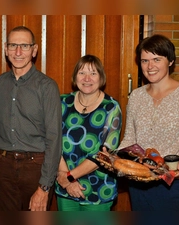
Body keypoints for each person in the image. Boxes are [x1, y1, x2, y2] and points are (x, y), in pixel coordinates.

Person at [117, 34, 179, 211]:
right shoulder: (136, 96)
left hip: (174, 184)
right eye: (145, 61)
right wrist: (118, 159)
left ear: (170, 61)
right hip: (140, 182)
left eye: (156, 59)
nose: (150, 66)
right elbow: (129, 139)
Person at [0, 26, 62, 211]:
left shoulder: (47, 87)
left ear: (34, 50)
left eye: (24, 46)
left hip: (35, 168)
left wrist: (44, 187)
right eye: (13, 45)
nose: (18, 52)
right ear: (5, 48)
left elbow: (54, 138)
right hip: (2, 168)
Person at [55, 55, 122, 211]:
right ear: (74, 77)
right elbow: (52, 141)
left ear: (101, 78)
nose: (87, 78)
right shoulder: (62, 103)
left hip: (99, 190)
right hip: (65, 188)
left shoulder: (111, 108)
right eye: (81, 73)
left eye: (93, 73)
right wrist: (65, 177)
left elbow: (104, 154)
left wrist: (69, 177)